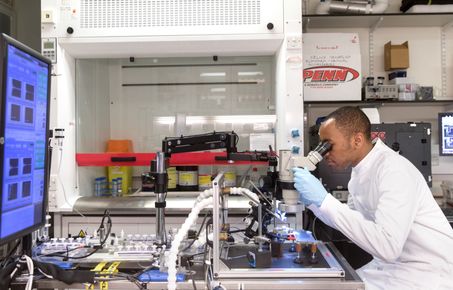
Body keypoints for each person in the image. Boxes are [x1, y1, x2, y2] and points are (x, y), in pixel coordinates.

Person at [293, 106, 453, 290]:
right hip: (392, 268)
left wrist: (325, 201)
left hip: (427, 273)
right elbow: (354, 225)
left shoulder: (393, 170)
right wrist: (315, 205)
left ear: (357, 140)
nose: (323, 153)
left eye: (328, 145)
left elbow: (388, 246)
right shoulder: (360, 174)